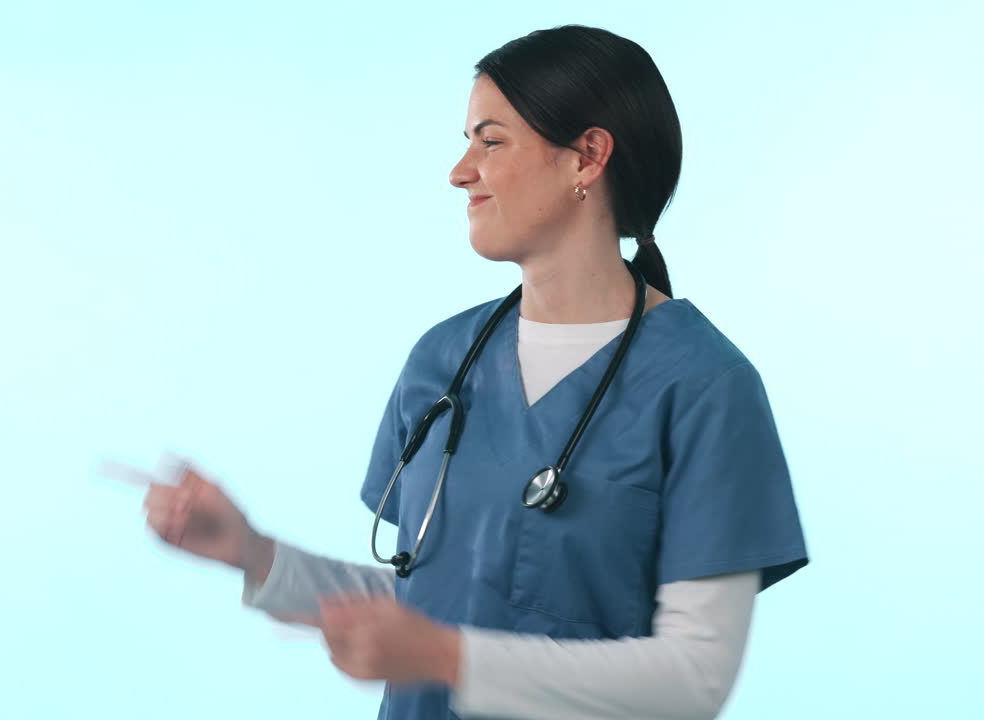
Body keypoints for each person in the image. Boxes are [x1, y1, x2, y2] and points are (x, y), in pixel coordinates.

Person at [142, 24, 808, 720]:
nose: (461, 171)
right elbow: (426, 611)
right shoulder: (444, 361)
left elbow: (693, 679)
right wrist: (250, 552)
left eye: (490, 141)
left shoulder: (704, 386)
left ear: (587, 156)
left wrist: (447, 659)